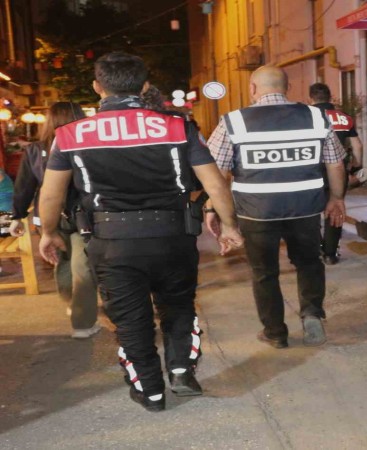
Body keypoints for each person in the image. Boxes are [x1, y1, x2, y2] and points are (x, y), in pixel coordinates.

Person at [38, 52, 243, 412]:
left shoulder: (69, 135)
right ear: (144, 85)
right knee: (178, 305)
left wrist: (49, 232)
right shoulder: (178, 127)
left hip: (111, 240)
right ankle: (181, 371)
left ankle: (150, 390)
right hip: (172, 236)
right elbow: (215, 183)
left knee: (131, 318)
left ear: (97, 87)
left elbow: (51, 193)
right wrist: (228, 225)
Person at [205, 66, 346, 349]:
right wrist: (336, 198)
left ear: (252, 89)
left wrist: (214, 209)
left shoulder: (234, 121)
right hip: (305, 208)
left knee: (264, 272)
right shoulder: (316, 117)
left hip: (256, 212)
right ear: (287, 88)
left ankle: (275, 332)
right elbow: (335, 163)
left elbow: (215, 174)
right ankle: (312, 314)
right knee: (308, 262)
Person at [9, 102, 101, 339]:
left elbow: (24, 186)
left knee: (62, 261)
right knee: (82, 266)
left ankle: (72, 304)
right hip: (84, 216)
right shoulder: (88, 146)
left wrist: (18, 216)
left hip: (48, 216)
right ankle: (82, 322)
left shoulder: (35, 150)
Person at [308, 82, 363, 265]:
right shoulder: (344, 117)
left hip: (312, 171)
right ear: (330, 97)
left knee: (310, 211)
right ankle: (330, 253)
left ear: (311, 98)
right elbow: (357, 145)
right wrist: (356, 166)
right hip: (338, 170)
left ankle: (316, 248)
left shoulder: (306, 117)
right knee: (336, 207)